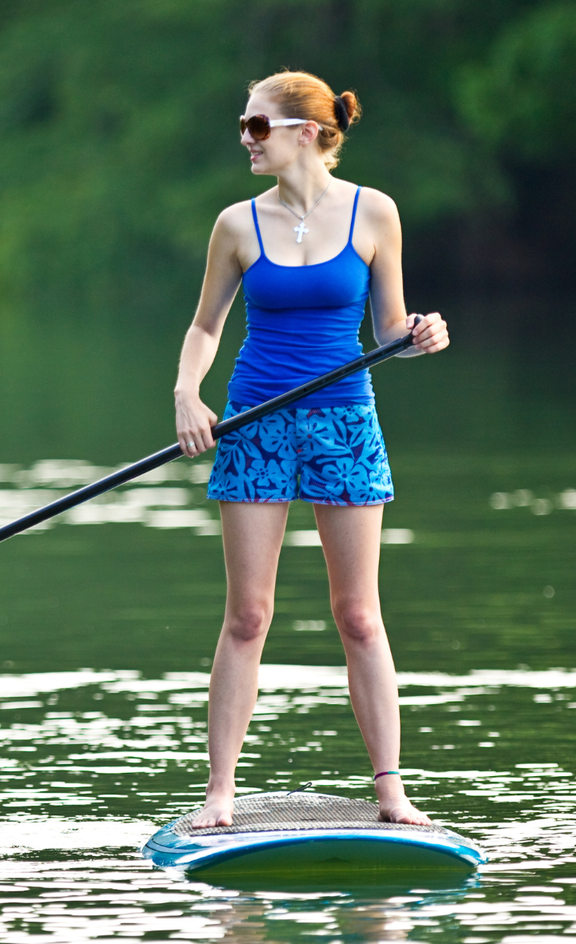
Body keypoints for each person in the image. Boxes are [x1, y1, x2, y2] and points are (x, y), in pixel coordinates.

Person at [173, 70, 449, 828]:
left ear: (302, 132)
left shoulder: (374, 213)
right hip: (255, 422)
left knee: (360, 615)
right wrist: (186, 393)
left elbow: (389, 331)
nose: (244, 139)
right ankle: (219, 794)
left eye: (255, 125)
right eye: (242, 124)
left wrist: (423, 335)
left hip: (344, 422)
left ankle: (391, 790)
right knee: (248, 616)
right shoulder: (235, 224)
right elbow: (205, 328)